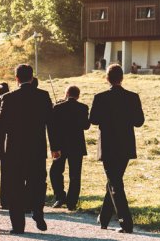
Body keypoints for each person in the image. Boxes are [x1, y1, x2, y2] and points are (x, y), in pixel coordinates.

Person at [0, 64, 54, 234]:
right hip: (37, 147)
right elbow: (51, 122)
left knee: (15, 186)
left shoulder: (8, 97)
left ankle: (18, 226)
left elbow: (1, 125)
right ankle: (37, 210)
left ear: (17, 79)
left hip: (14, 149)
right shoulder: (43, 96)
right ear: (32, 77)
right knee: (37, 182)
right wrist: (55, 147)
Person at [90, 64, 144, 233]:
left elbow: (93, 119)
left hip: (108, 146)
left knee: (115, 184)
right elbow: (139, 121)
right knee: (115, 181)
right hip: (125, 145)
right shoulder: (133, 97)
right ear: (122, 78)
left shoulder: (100, 97)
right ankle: (104, 219)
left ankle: (125, 222)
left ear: (107, 78)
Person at [49, 85, 90, 211]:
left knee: (55, 172)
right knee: (75, 175)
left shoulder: (57, 107)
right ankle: (72, 203)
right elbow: (86, 126)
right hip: (77, 146)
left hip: (60, 145)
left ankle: (60, 196)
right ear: (78, 96)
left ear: (66, 94)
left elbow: (52, 129)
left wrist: (54, 148)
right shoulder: (83, 107)